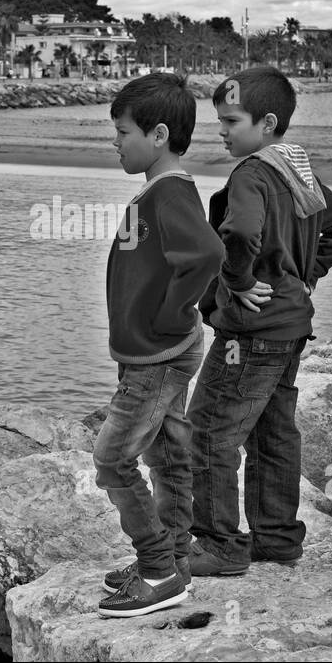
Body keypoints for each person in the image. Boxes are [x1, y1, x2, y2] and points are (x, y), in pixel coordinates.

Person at [187, 67, 332, 577]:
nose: (220, 130)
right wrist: (305, 275)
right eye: (218, 119)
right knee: (272, 433)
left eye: (230, 121)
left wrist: (237, 281)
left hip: (252, 330)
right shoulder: (294, 167)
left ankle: (219, 544)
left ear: (266, 122)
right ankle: (278, 539)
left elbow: (240, 232)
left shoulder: (253, 174)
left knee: (210, 431)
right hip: (290, 327)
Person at [94, 73, 224, 618]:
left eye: (122, 133)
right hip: (157, 350)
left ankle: (158, 568)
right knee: (167, 453)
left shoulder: (169, 194)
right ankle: (174, 557)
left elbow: (207, 256)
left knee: (112, 458)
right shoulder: (159, 191)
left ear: (159, 135)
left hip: (157, 355)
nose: (116, 142)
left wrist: (170, 318)